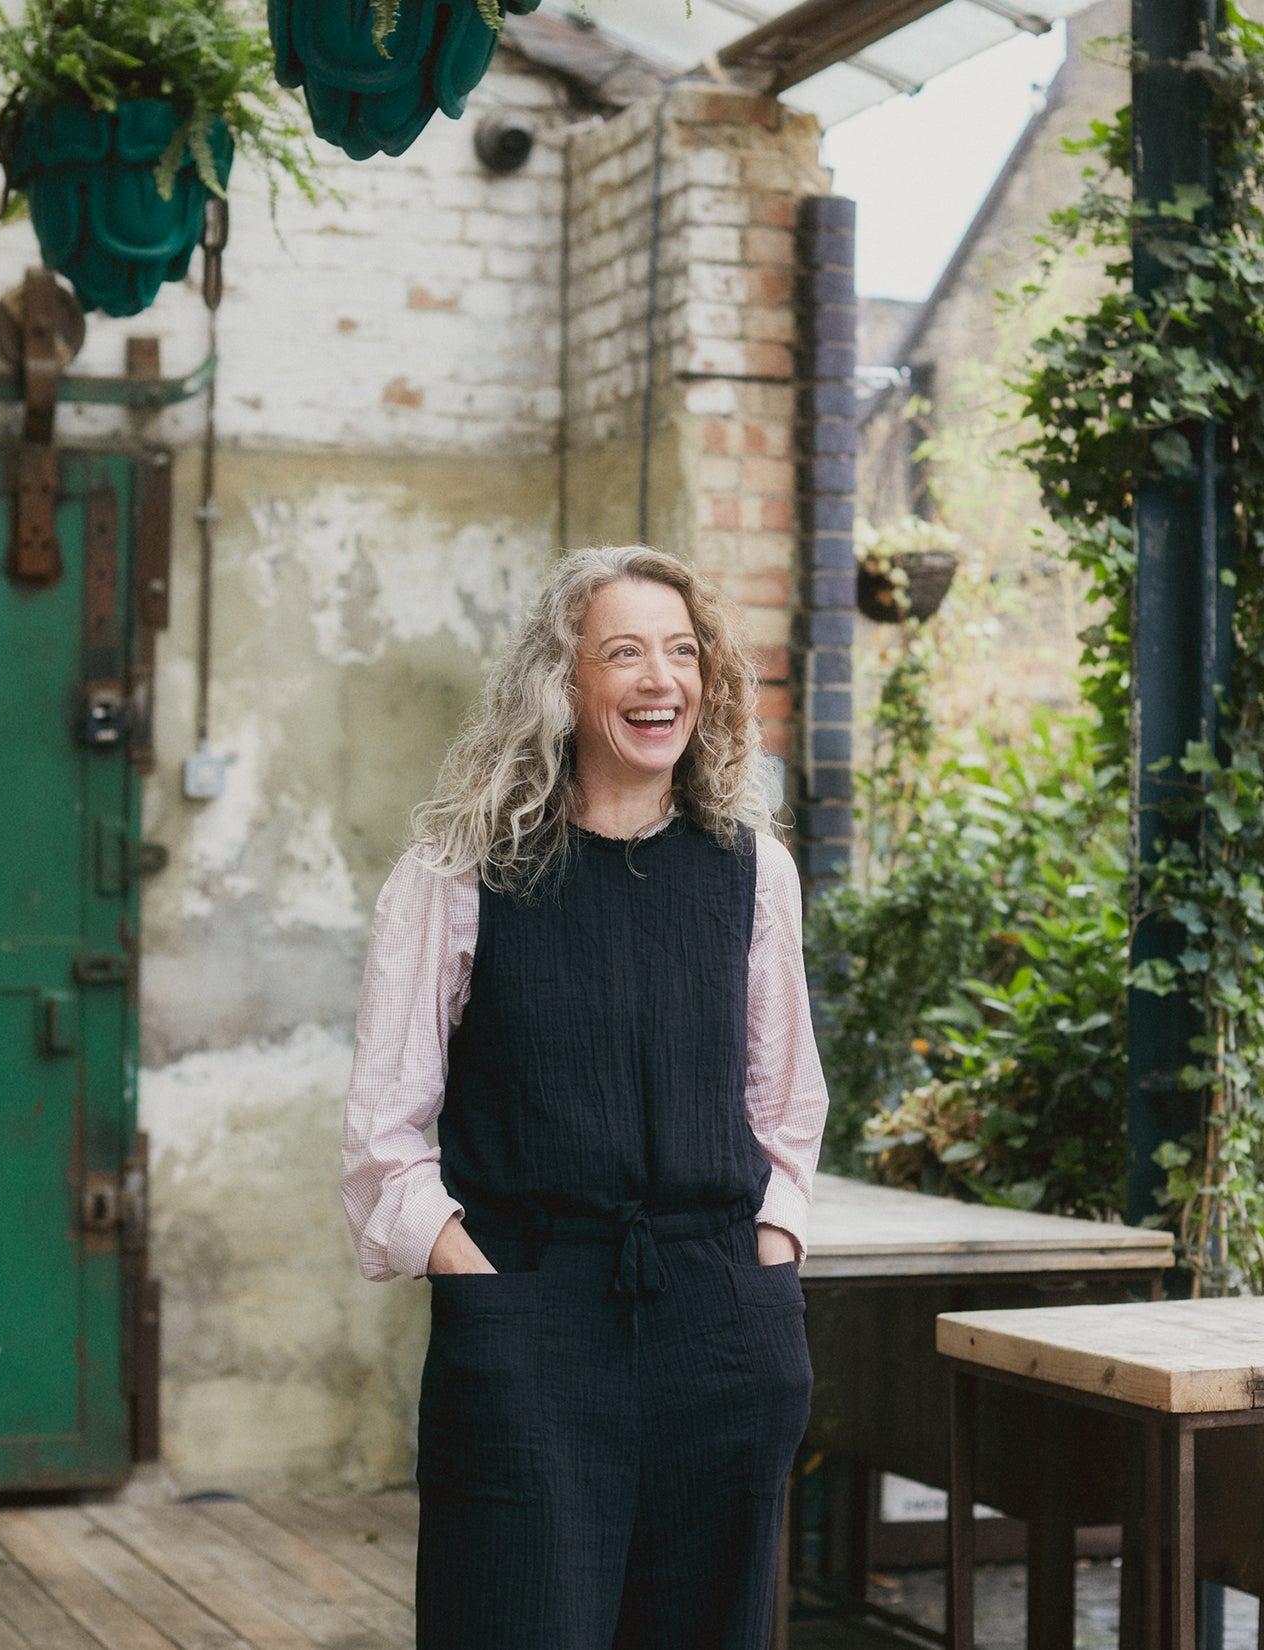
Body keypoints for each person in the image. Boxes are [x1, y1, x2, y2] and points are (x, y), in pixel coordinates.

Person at [340, 544, 830, 1649]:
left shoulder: (753, 871)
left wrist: (771, 1255)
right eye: (623, 653)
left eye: (680, 651)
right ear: (562, 683)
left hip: (719, 1328)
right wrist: (480, 1281)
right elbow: (381, 1131)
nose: (660, 679)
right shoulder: (457, 871)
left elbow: (786, 1103)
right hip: (530, 1324)